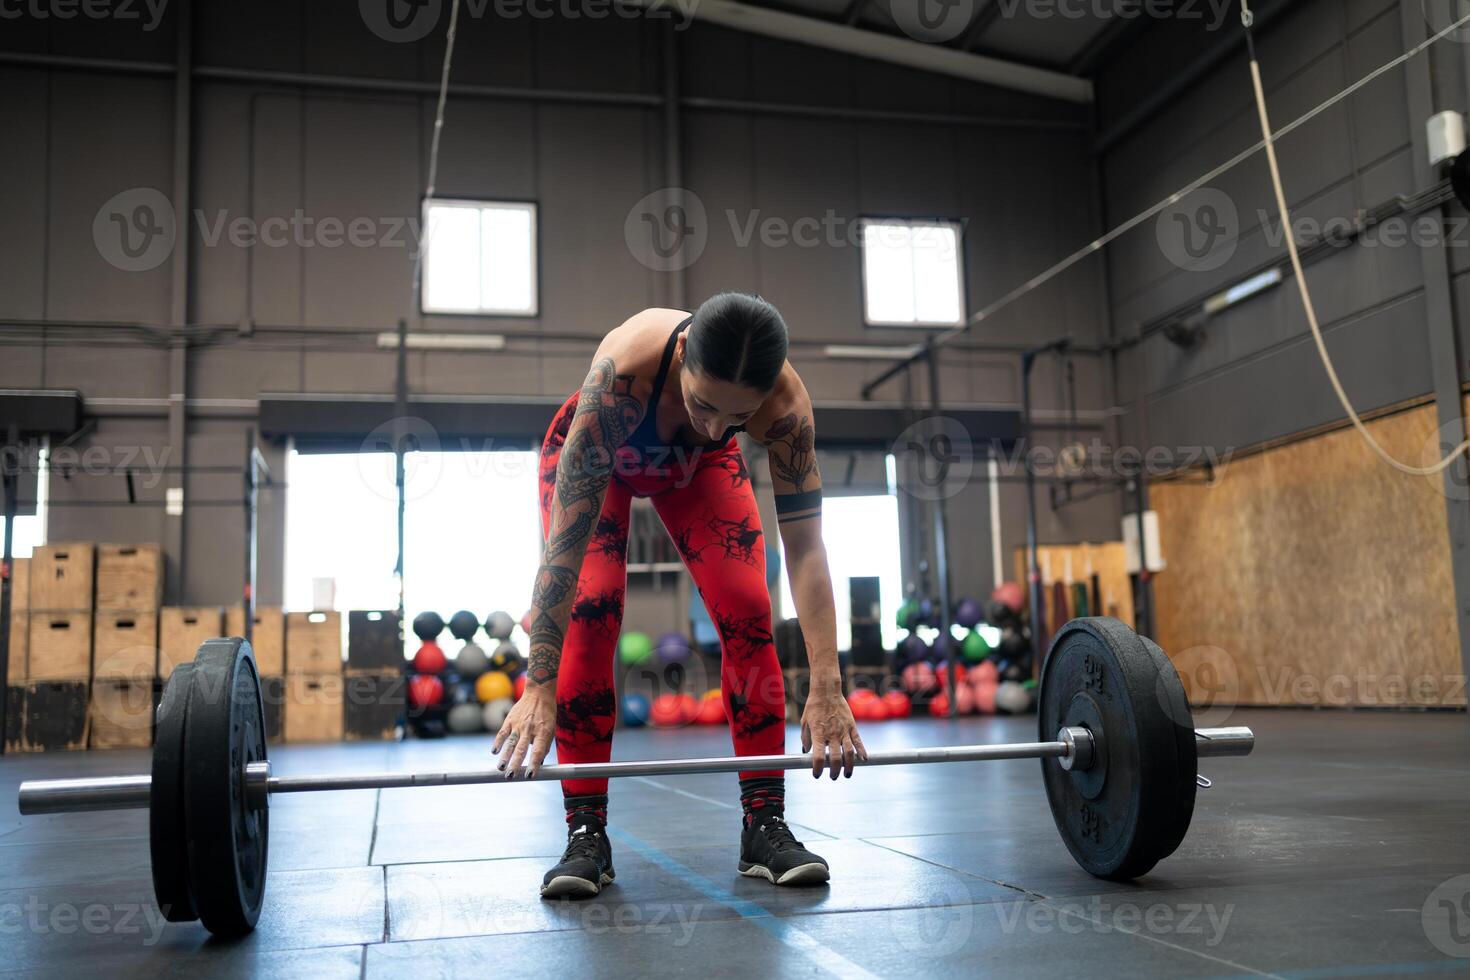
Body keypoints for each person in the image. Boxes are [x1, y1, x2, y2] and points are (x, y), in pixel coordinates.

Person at [493, 292, 866, 899]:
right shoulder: (621, 379)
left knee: (748, 607)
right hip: (602, 458)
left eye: (735, 418)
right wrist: (538, 686)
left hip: (696, 470)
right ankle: (586, 831)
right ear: (686, 355)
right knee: (592, 609)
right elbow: (561, 554)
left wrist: (827, 684)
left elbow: (805, 550)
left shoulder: (785, 408)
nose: (715, 425)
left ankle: (764, 822)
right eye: (703, 403)